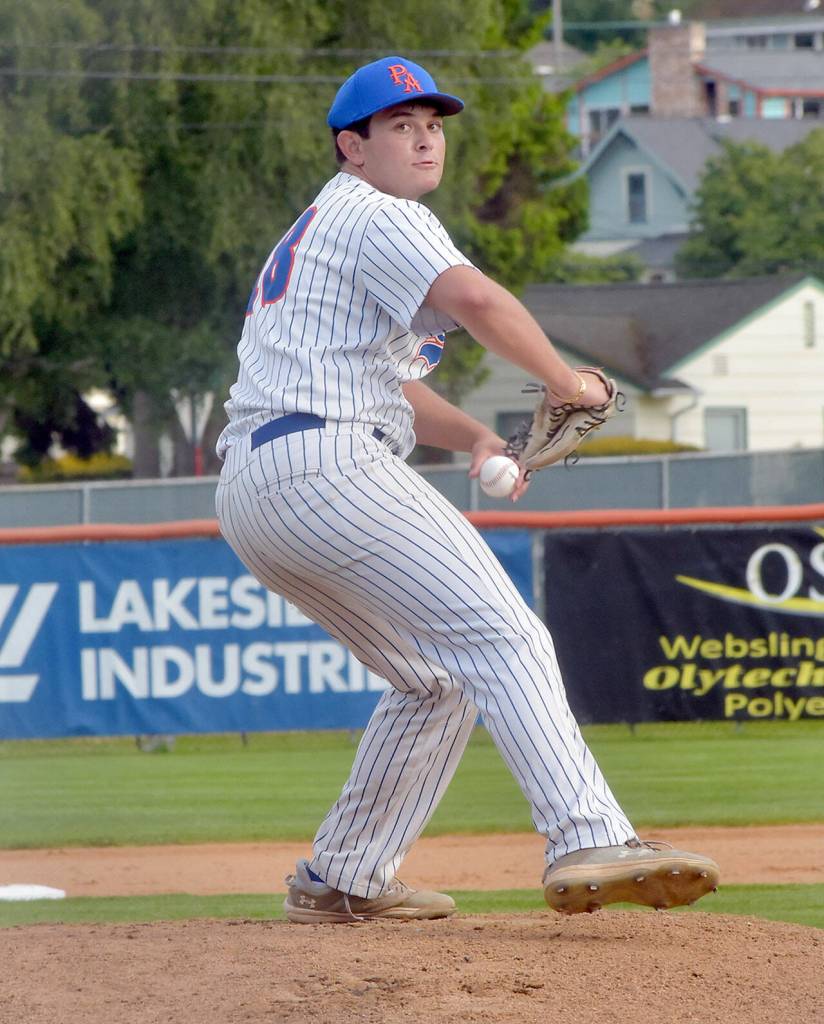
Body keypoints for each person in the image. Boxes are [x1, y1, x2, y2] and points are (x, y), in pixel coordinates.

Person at [215, 55, 719, 923]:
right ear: (352, 147)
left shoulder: (329, 227)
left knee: (433, 679)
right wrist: (565, 382)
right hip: (327, 467)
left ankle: (344, 877)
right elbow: (479, 301)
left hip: (261, 486)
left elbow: (391, 385)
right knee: (508, 636)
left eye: (434, 125)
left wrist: (482, 435)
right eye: (400, 125)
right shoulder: (379, 213)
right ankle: (586, 831)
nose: (422, 137)